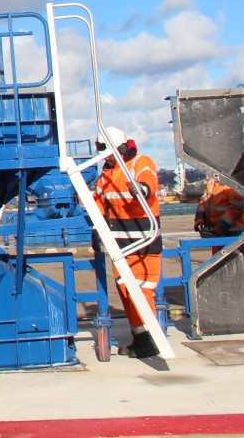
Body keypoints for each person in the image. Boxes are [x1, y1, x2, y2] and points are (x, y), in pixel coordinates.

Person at [93, 126, 162, 359]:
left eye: (105, 151)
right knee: (125, 291)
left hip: (143, 242)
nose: (103, 156)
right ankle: (141, 339)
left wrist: (141, 189)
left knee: (141, 292)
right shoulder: (105, 176)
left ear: (118, 148)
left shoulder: (140, 163)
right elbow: (99, 205)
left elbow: (148, 181)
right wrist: (96, 230)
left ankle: (151, 340)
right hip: (120, 246)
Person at [194, 174, 244, 255]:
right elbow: (203, 201)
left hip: (232, 233)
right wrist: (199, 218)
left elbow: (236, 209)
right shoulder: (213, 183)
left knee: (233, 259)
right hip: (217, 233)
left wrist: (221, 226)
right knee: (219, 260)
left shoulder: (232, 184)